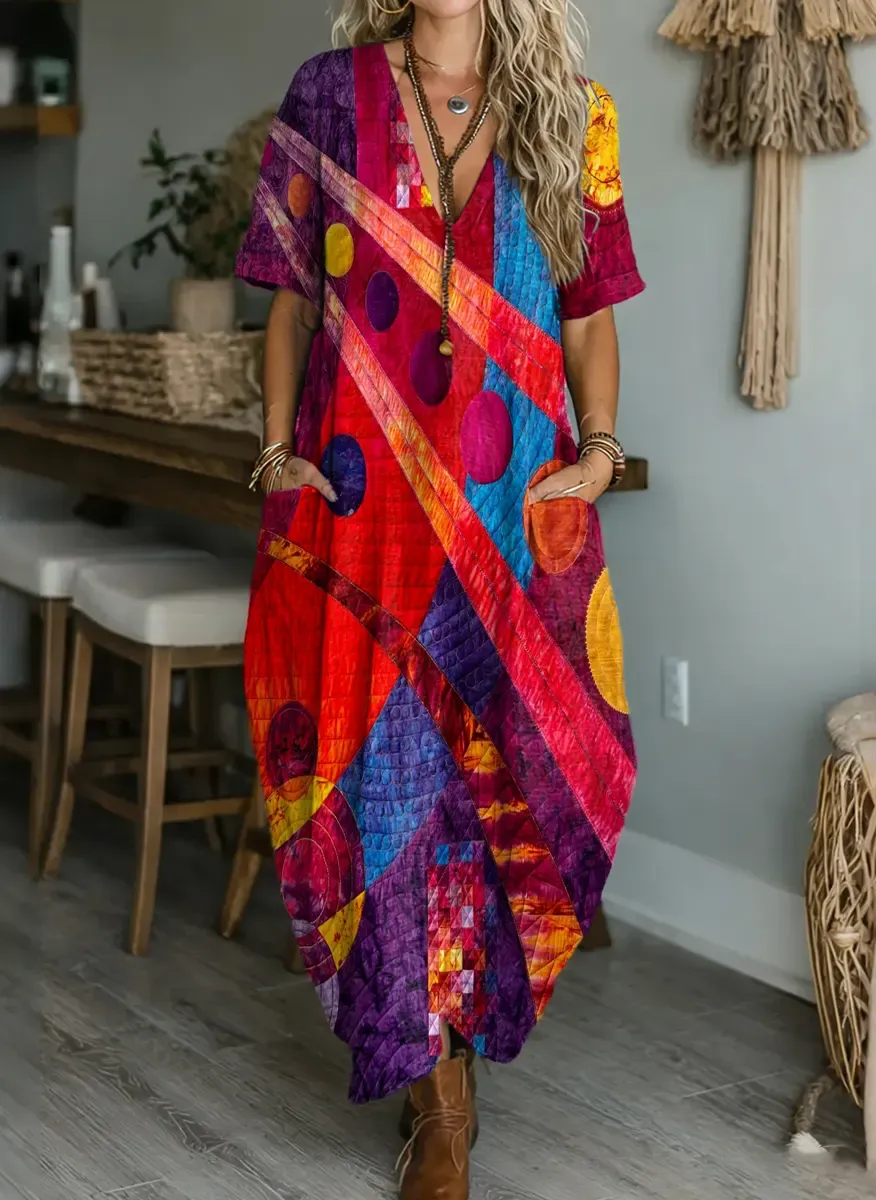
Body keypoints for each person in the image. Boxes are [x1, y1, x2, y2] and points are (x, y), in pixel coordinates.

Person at [236, 1, 644, 1195]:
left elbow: (589, 316)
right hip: (366, 517)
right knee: (390, 794)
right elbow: (288, 302)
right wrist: (277, 451)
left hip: (513, 523)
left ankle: (452, 1070)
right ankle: (440, 1107)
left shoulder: (576, 114)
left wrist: (601, 449)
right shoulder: (328, 95)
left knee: (503, 786)